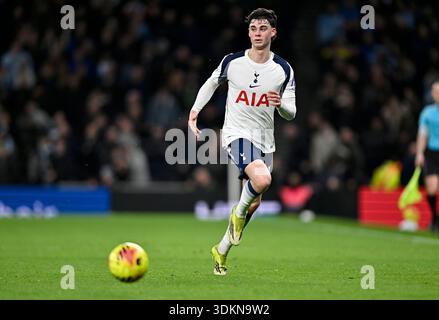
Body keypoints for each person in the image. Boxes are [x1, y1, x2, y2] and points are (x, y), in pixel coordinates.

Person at [188, 8, 297, 275]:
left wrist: (280, 103)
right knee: (261, 180)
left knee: (255, 202)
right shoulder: (233, 62)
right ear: (248, 33)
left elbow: (291, 113)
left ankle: (221, 250)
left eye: (262, 28)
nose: (257, 33)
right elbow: (211, 83)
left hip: (264, 141)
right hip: (235, 133)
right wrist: (194, 112)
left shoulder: (283, 69)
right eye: (253, 29)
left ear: (273, 32)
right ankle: (236, 212)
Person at [415, 81, 439, 233]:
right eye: (435, 91)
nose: (437, 94)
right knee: (432, 188)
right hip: (431, 153)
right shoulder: (427, 113)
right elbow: (422, 135)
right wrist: (419, 153)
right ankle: (435, 218)